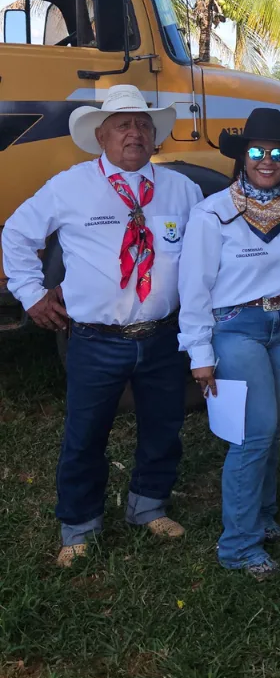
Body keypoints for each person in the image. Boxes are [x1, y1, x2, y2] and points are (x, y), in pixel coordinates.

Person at [1, 85, 203, 567]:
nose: (133, 133)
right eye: (122, 124)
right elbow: (16, 233)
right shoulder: (70, 186)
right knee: (86, 434)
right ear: (102, 135)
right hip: (95, 340)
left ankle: (148, 505)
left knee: (164, 427)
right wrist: (31, 296)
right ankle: (79, 524)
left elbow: (205, 257)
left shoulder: (183, 191)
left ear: (154, 136)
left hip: (161, 336)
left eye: (142, 124)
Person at [178, 109, 280, 579]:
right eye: (256, 151)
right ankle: (237, 546)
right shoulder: (211, 213)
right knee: (253, 434)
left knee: (270, 427)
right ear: (241, 156)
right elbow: (194, 289)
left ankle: (262, 513)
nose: (267, 160)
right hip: (237, 327)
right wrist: (200, 356)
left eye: (278, 152)